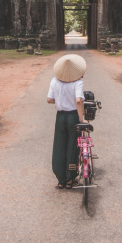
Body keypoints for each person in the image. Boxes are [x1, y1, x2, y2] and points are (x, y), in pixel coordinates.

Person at [46, 54, 86, 189]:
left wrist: (61, 100)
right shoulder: (78, 82)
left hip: (60, 116)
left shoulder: (54, 81)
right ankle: (70, 178)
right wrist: (81, 118)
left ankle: (61, 178)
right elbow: (79, 100)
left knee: (59, 146)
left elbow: (49, 100)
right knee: (73, 147)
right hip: (73, 116)